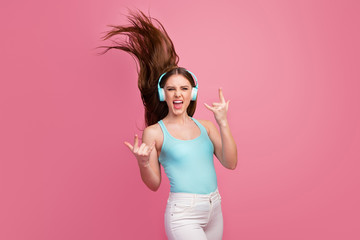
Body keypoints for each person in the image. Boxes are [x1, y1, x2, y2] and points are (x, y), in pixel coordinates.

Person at [98, 9, 237, 240]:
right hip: (184, 213)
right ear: (164, 95)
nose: (177, 94)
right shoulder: (154, 133)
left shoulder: (207, 127)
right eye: (171, 89)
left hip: (214, 208)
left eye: (183, 88)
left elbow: (231, 163)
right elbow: (154, 184)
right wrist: (143, 162)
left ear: (192, 94)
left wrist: (223, 123)